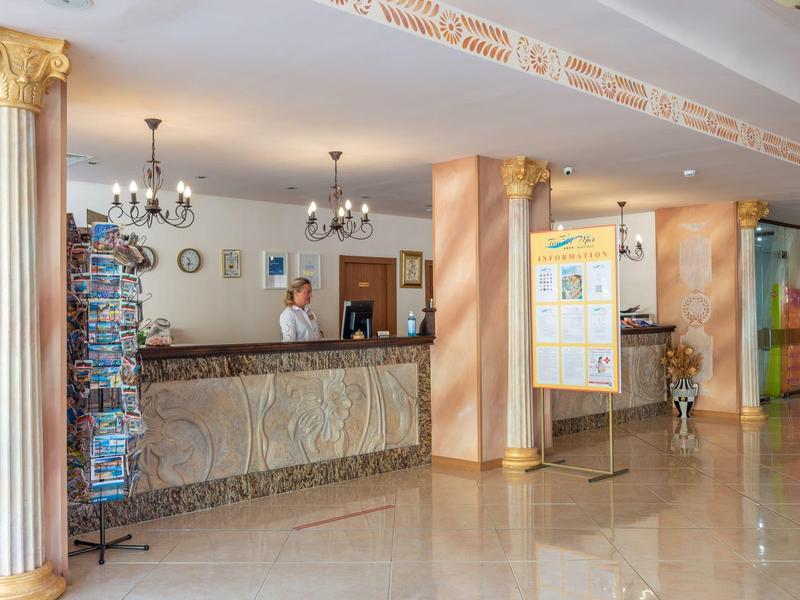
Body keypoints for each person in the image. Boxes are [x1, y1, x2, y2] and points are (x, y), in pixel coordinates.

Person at [279, 277, 322, 341]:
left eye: (310, 292)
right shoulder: (288, 314)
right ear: (296, 293)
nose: (311, 296)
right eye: (308, 292)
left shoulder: (309, 312)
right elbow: (289, 345)